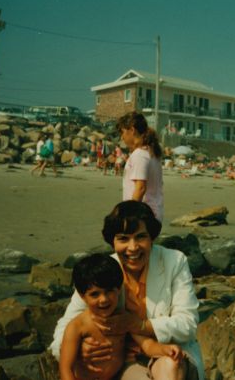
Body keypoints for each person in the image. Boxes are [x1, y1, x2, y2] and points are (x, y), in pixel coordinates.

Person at [50, 201, 204, 380]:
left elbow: (188, 324)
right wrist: (80, 350)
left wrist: (140, 325)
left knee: (170, 366)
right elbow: (66, 327)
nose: (133, 247)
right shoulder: (101, 271)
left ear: (151, 237)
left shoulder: (173, 262)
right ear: (112, 241)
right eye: (123, 238)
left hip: (169, 353)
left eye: (140, 237)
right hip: (124, 363)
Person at [59, 253, 182, 380]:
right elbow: (66, 368)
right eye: (95, 294)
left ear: (118, 289)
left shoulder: (123, 320)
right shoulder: (77, 326)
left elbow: (147, 345)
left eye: (109, 291)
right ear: (82, 296)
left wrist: (165, 349)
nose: (103, 300)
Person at [117, 112, 164, 223]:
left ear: (132, 130)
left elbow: (140, 188)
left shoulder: (140, 154)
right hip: (152, 213)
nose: (122, 137)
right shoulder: (151, 152)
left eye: (122, 132)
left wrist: (129, 215)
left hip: (143, 216)